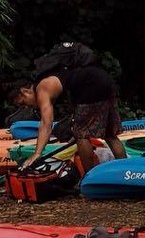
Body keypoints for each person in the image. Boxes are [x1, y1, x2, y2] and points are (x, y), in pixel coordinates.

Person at [9, 41, 127, 173]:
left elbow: (46, 123)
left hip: (91, 86)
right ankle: (126, 172)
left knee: (81, 136)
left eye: (23, 103)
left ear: (25, 91)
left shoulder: (42, 88)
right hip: (105, 80)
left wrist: (37, 153)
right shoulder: (56, 74)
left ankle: (90, 176)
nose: (26, 107)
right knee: (110, 134)